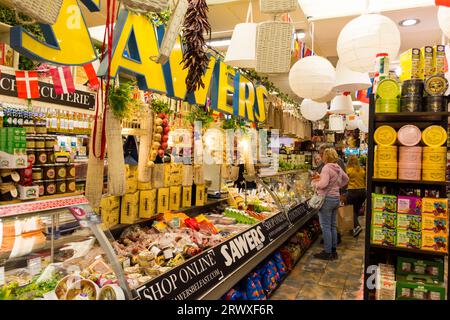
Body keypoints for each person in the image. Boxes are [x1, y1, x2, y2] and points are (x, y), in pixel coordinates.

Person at [312, 148, 349, 261]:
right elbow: (346, 179)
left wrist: (315, 184)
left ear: (326, 157)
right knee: (332, 225)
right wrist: (338, 187)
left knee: (326, 227)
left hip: (326, 199)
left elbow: (323, 184)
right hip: (335, 199)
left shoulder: (326, 167)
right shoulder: (337, 167)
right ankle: (333, 250)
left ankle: (327, 252)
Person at [346, 155, 366, 237]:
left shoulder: (348, 170)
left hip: (352, 192)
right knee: (356, 210)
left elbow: (345, 181)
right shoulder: (362, 170)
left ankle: (357, 226)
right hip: (363, 192)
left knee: (351, 211)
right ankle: (354, 227)